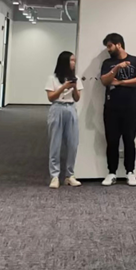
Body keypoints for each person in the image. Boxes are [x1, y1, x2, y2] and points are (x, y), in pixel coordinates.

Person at [99, 33, 136, 186]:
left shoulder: (135, 60)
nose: (108, 49)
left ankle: (130, 172)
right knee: (112, 141)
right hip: (111, 108)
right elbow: (105, 81)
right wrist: (117, 68)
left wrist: (121, 83)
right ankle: (111, 172)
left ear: (118, 45)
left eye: (110, 46)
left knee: (129, 140)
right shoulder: (107, 63)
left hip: (130, 108)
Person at [45, 51, 83, 189]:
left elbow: (77, 98)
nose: (74, 63)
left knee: (73, 143)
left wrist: (74, 87)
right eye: (71, 60)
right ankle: (54, 176)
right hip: (57, 108)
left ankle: (69, 175)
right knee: (55, 143)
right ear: (65, 61)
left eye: (74, 60)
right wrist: (64, 87)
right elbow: (51, 97)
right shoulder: (52, 78)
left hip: (71, 108)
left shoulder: (76, 78)